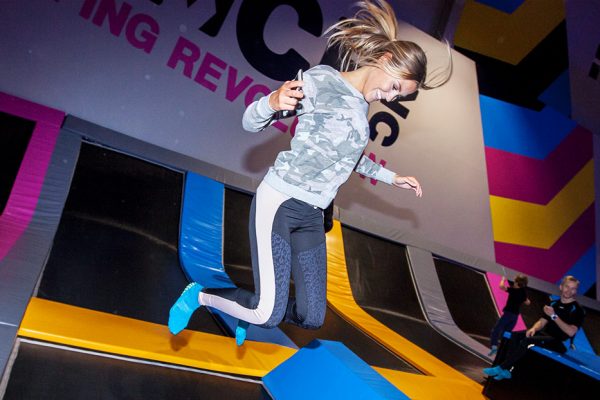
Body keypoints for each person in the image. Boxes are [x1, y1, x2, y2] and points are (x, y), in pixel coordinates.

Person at [168, 0, 452, 345]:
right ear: (386, 60)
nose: (391, 99)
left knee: (312, 316)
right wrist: (271, 103)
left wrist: (393, 178)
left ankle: (245, 307)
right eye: (395, 89)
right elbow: (249, 122)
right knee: (268, 314)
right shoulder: (322, 82)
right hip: (282, 200)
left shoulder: (363, 108)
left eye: (398, 98)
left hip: (312, 214)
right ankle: (200, 295)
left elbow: (348, 158)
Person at [483, 275, 585, 381]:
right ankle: (507, 370)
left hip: (560, 342)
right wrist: (534, 329)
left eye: (573, 288)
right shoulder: (553, 303)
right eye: (567, 287)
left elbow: (571, 332)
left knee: (528, 341)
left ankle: (501, 367)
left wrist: (554, 316)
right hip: (545, 335)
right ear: (561, 287)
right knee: (515, 335)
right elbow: (542, 321)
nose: (569, 290)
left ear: (575, 291)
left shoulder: (577, 310)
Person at [488, 274, 530, 356]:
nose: (513, 283)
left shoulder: (513, 290)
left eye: (515, 281)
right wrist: (523, 299)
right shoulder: (523, 292)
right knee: (506, 334)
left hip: (507, 315)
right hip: (515, 317)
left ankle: (494, 347)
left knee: (496, 330)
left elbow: (501, 286)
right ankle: (503, 351)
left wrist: (503, 279)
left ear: (517, 283)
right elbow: (528, 302)